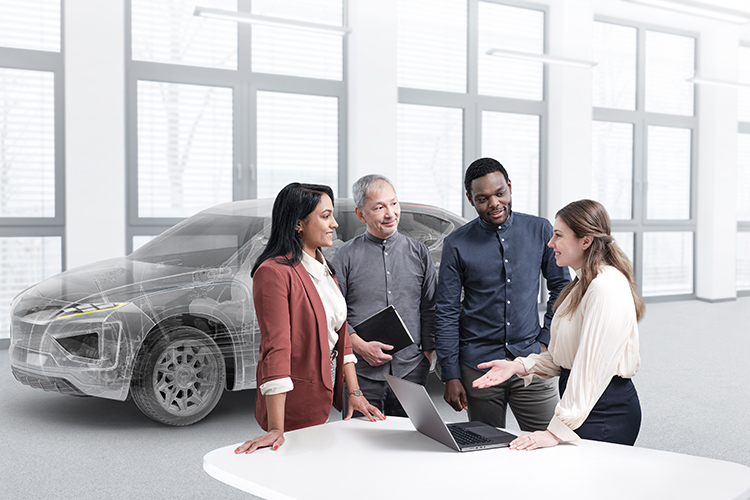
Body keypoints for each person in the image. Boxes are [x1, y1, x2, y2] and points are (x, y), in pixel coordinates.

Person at [473, 199, 644, 449]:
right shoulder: (581, 284)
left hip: (604, 409)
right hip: (582, 404)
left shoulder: (605, 286)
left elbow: (591, 367)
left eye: (558, 235)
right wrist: (518, 366)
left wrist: (555, 432)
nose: (551, 243)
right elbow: (564, 357)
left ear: (585, 241)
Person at [235, 182, 384, 454]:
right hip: (294, 401)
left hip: (323, 394)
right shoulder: (273, 273)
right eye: (325, 216)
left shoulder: (324, 266)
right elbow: (276, 348)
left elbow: (341, 333)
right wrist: (276, 428)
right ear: (298, 224)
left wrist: (355, 393)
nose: (335, 224)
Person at [435, 158, 570, 431]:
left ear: (509, 187)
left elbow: (562, 288)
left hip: (530, 361)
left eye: (500, 193)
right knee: (487, 447)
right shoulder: (457, 243)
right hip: (479, 364)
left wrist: (546, 338)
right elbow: (446, 311)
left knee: (550, 442)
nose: (494, 203)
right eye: (482, 198)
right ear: (470, 199)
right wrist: (451, 375)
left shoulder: (540, 230)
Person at [330, 174, 436, 416]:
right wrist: (358, 345)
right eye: (379, 207)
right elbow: (333, 315)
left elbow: (430, 308)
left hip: (411, 372)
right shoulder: (343, 257)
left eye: (394, 203)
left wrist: (426, 358)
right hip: (362, 376)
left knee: (408, 447)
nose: (391, 213)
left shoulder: (419, 253)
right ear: (361, 214)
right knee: (362, 448)